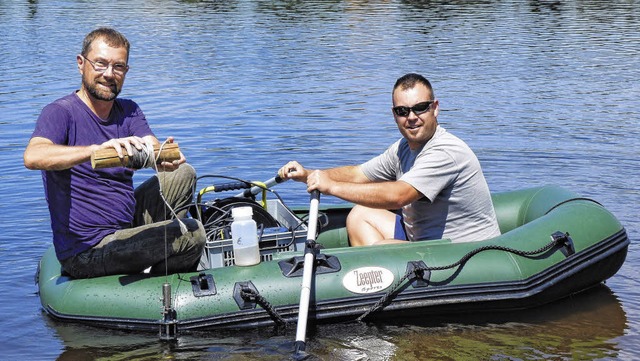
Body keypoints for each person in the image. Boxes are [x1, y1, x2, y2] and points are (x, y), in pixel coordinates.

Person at [24, 27, 206, 278]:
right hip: (88, 250)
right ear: (81, 64)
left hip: (125, 225)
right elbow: (33, 157)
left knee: (184, 173)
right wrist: (93, 151)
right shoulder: (60, 112)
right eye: (100, 64)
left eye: (118, 67)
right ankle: (157, 287)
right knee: (193, 233)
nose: (109, 74)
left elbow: (150, 144)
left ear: (126, 71)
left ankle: (160, 263)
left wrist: (164, 156)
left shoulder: (129, 110)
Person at [278, 73, 500, 246]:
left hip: (462, 251)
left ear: (435, 108)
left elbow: (398, 196)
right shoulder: (403, 147)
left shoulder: (445, 152)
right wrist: (310, 175)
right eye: (402, 111)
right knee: (359, 215)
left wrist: (332, 187)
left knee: (379, 252)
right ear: (394, 114)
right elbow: (358, 174)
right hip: (423, 239)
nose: (411, 117)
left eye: (420, 108)